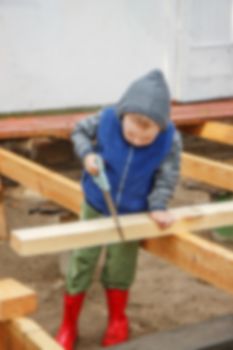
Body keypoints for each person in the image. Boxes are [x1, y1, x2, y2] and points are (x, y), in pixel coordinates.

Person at [56, 70, 182, 350]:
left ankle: (117, 320)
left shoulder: (170, 139)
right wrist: (87, 154)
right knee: (83, 260)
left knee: (121, 266)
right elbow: (78, 131)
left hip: (133, 211)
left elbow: (168, 175)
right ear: (123, 115)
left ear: (160, 128)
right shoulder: (106, 118)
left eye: (145, 138)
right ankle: (68, 324)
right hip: (96, 203)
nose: (137, 141)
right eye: (131, 134)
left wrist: (158, 205)